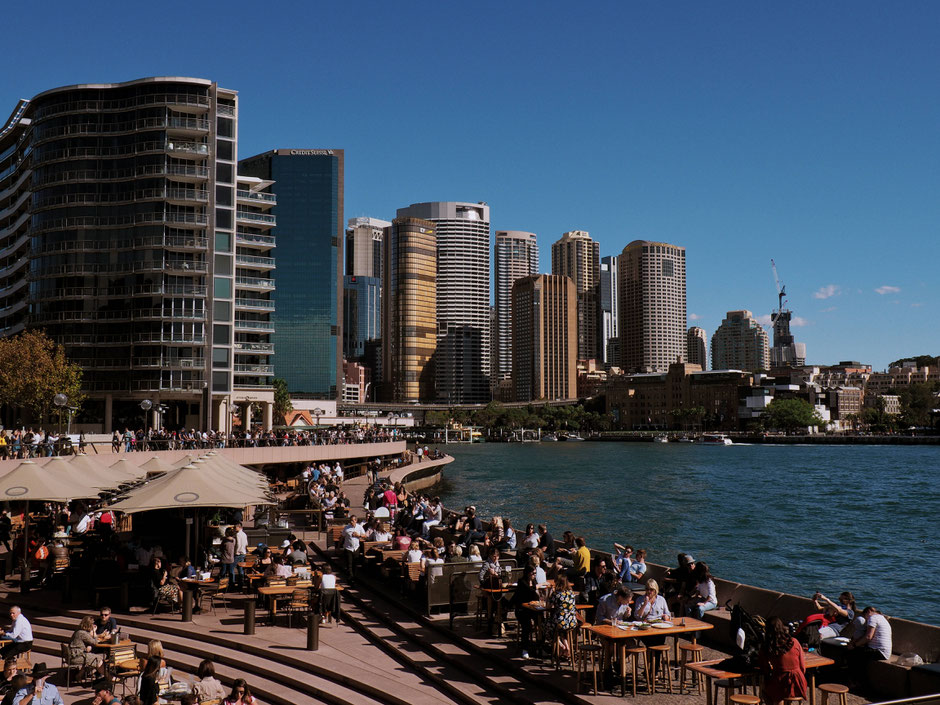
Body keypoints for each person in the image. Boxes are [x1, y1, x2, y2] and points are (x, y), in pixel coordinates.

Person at [759, 616, 807, 705]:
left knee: (766, 692)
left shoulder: (768, 646)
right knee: (781, 690)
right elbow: (803, 667)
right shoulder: (794, 641)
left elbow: (764, 667)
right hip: (798, 682)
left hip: (781, 680)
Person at [847, 606, 892, 687]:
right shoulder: (882, 618)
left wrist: (853, 645)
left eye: (865, 617)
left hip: (879, 651)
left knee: (853, 653)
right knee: (859, 653)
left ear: (868, 612)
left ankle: (855, 682)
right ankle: (857, 681)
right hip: (884, 651)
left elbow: (868, 637)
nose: (866, 620)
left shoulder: (873, 618)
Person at [549, 574, 579, 660]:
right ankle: (567, 646)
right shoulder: (571, 593)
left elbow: (548, 606)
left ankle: (561, 646)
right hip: (572, 622)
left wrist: (550, 593)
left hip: (560, 622)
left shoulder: (556, 594)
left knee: (547, 627)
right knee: (562, 631)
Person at [341, 515, 367, 584]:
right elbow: (342, 537)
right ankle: (350, 577)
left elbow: (364, 535)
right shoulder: (347, 528)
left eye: (353, 520)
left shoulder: (359, 527)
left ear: (356, 521)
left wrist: (358, 535)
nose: (351, 522)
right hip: (348, 548)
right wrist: (338, 547)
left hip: (356, 548)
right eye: (350, 520)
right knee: (349, 563)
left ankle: (354, 576)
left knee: (355, 563)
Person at [233, 522, 248, 588]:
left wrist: (236, 552)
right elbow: (246, 543)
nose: (234, 528)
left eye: (235, 527)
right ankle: (241, 582)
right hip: (243, 552)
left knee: (232, 568)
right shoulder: (244, 534)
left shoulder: (238, 534)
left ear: (239, 527)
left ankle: (232, 583)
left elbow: (238, 544)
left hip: (238, 553)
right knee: (240, 569)